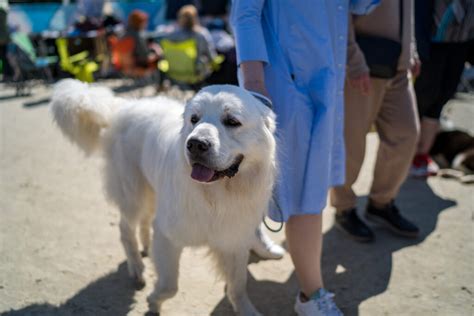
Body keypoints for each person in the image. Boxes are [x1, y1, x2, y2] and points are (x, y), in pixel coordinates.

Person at [231, 1, 379, 315]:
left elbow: (360, 5)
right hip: (281, 86)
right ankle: (311, 295)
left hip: (325, 85)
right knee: (293, 192)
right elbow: (245, 12)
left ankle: (305, 289)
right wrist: (255, 84)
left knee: (302, 191)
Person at [330, 0, 420, 243]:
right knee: (352, 144)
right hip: (364, 65)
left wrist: (410, 50)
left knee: (406, 133)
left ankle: (381, 203)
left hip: (398, 68)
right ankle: (344, 208)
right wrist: (352, 59)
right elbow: (339, 12)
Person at [410, 0, 474, 177]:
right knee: (423, 97)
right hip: (433, 40)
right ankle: (408, 154)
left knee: (442, 97)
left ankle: (422, 155)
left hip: (462, 40)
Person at [165, 5, 217, 79]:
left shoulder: (171, 35)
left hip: (175, 71)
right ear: (195, 18)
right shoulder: (202, 34)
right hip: (197, 71)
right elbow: (211, 56)